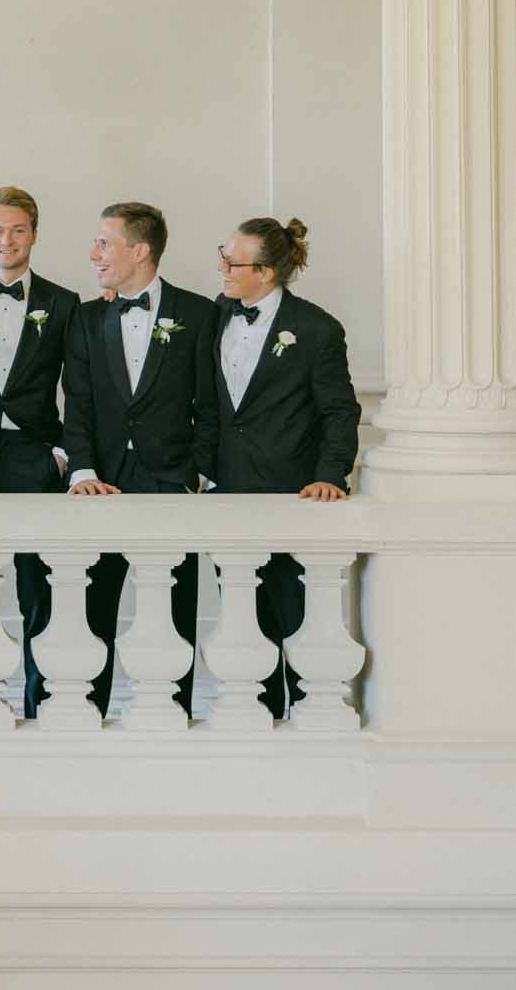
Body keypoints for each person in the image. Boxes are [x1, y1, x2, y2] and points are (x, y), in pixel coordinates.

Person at [63, 201, 217, 719]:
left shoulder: (198, 315)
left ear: (141, 250)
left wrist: (195, 472)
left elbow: (211, 405)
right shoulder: (85, 318)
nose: (94, 254)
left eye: (105, 243)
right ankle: (86, 717)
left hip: (173, 483)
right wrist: (83, 471)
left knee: (174, 611)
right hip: (101, 484)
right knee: (92, 611)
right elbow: (77, 404)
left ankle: (170, 717)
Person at [213, 215, 360, 718]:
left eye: (233, 261)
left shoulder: (317, 329)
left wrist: (330, 474)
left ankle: (308, 716)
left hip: (291, 494)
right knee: (243, 615)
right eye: (223, 255)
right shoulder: (216, 314)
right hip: (227, 491)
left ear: (268, 272)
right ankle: (257, 715)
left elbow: (339, 411)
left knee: (294, 614)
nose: (222, 268)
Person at [0, 185, 79, 718]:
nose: (6, 240)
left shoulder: (63, 301)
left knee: (37, 585)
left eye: (18, 230)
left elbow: (83, 388)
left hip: (35, 451)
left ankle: (39, 702)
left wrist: (62, 452)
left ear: (34, 234)